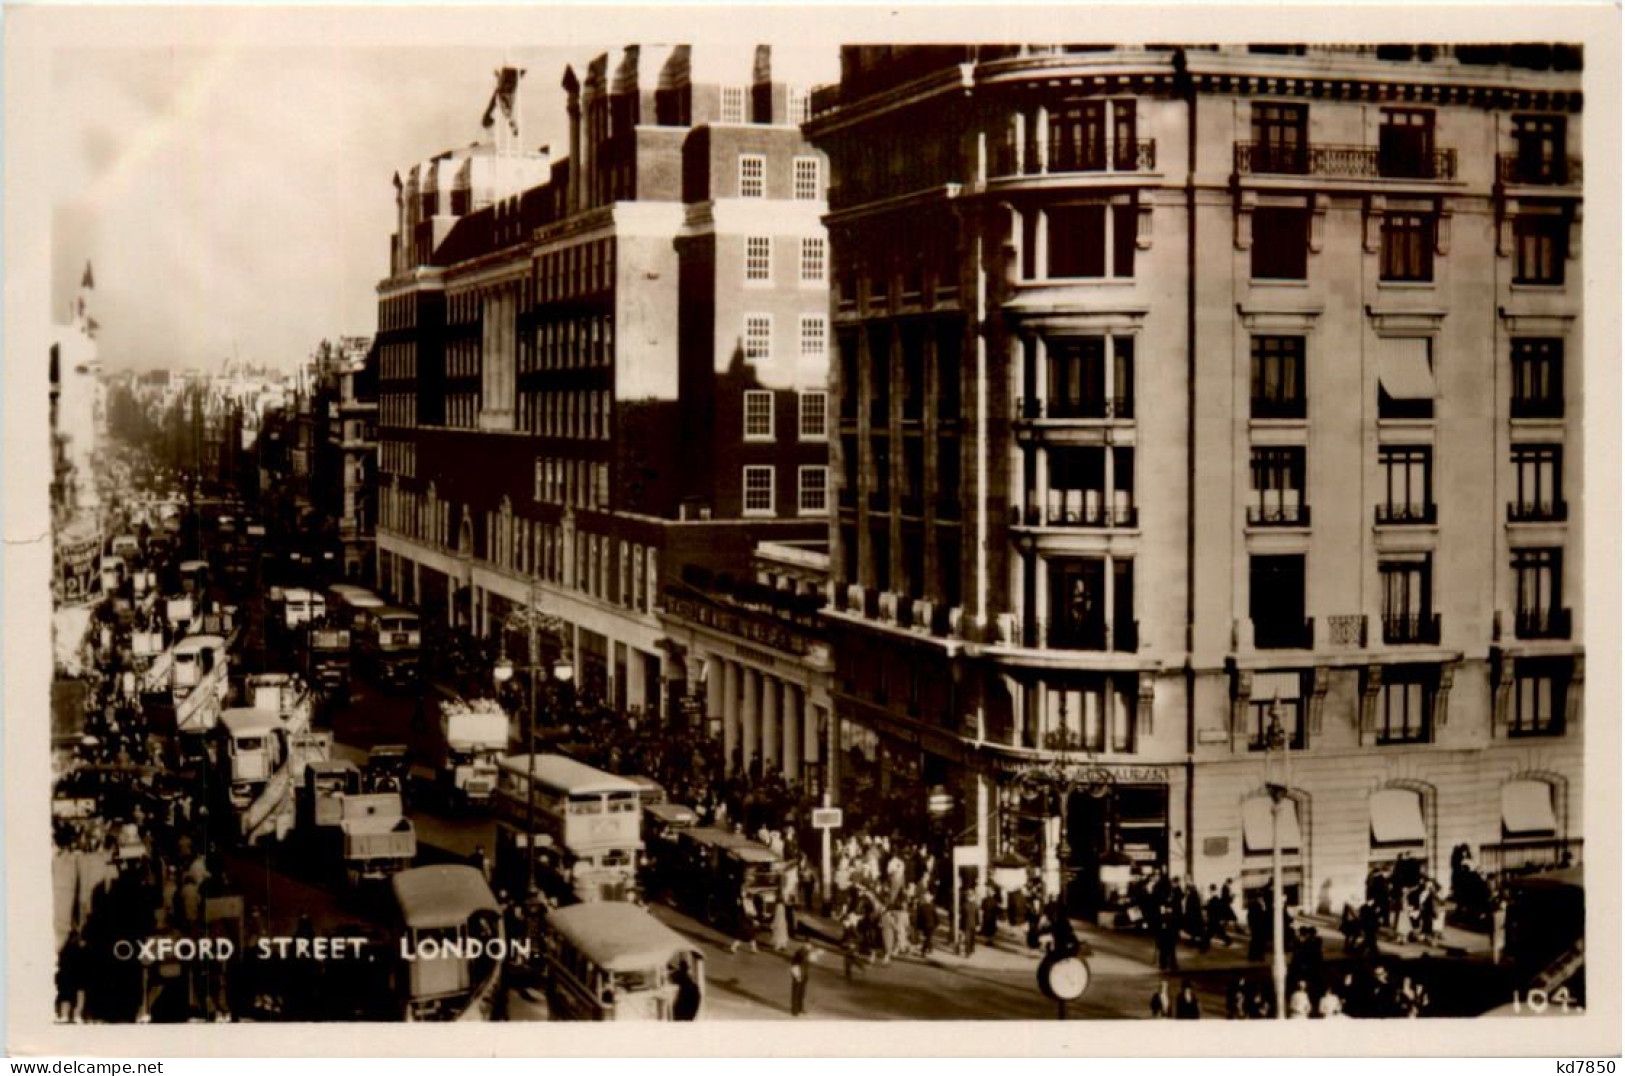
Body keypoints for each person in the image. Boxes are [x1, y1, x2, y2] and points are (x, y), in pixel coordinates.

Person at [788, 944, 811, 1017]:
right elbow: (794, 966)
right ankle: (795, 1010)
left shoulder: (805, 955)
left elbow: (806, 965)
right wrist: (797, 976)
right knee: (796, 992)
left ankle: (800, 1008)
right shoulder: (799, 955)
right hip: (798, 975)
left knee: (802, 993)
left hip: (804, 976)